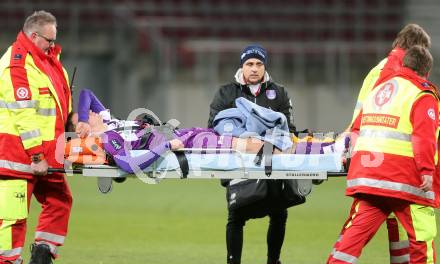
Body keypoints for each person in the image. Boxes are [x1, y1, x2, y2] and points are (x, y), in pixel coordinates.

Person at [320, 23, 432, 264]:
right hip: (391, 160)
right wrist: (426, 169)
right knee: (414, 224)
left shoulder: (382, 70)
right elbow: (419, 130)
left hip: (369, 152)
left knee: (368, 219)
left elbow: (367, 111)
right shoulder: (401, 77)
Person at [208, 44, 300, 264]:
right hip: (239, 162)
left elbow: (289, 130)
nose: (255, 68)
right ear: (242, 66)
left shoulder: (279, 93)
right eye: (250, 64)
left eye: (259, 64)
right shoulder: (226, 93)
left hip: (273, 161)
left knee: (279, 213)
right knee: (236, 214)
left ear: (265, 66)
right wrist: (244, 141)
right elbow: (213, 128)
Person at [0, 11, 72, 264]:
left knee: (60, 200)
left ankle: (41, 260)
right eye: (48, 40)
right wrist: (37, 156)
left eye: (55, 40)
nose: (53, 45)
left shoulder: (46, 61)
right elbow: (24, 116)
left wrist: (73, 118)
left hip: (45, 153)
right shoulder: (17, 65)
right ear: (33, 35)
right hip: (18, 154)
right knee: (14, 214)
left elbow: (59, 101)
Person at [65, 89, 299, 172]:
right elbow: (128, 165)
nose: (91, 113)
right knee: (239, 144)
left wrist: (82, 117)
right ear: (82, 132)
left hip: (182, 133)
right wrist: (165, 146)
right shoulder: (108, 137)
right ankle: (294, 154)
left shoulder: (108, 121)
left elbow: (86, 93)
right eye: (83, 118)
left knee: (242, 130)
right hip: (181, 142)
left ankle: (299, 145)